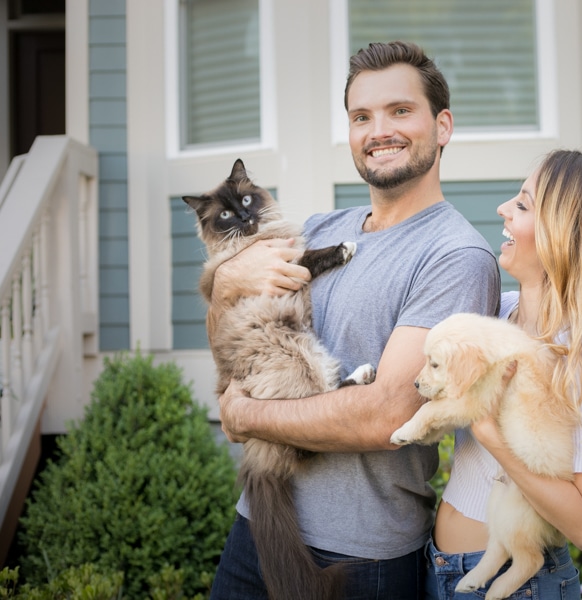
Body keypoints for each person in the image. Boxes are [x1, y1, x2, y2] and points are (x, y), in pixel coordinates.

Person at [207, 41, 501, 600]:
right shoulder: (319, 230)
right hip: (259, 526)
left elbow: (388, 413)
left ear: (442, 126)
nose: (378, 130)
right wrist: (225, 285)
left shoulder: (454, 256)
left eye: (400, 111)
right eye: (361, 116)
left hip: (361, 556)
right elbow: (231, 338)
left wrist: (247, 415)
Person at [425, 149, 582, 599]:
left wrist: (492, 438)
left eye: (522, 205)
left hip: (520, 585)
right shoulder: (496, 314)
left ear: (566, 238)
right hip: (441, 570)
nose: (503, 209)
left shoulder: (581, 363)